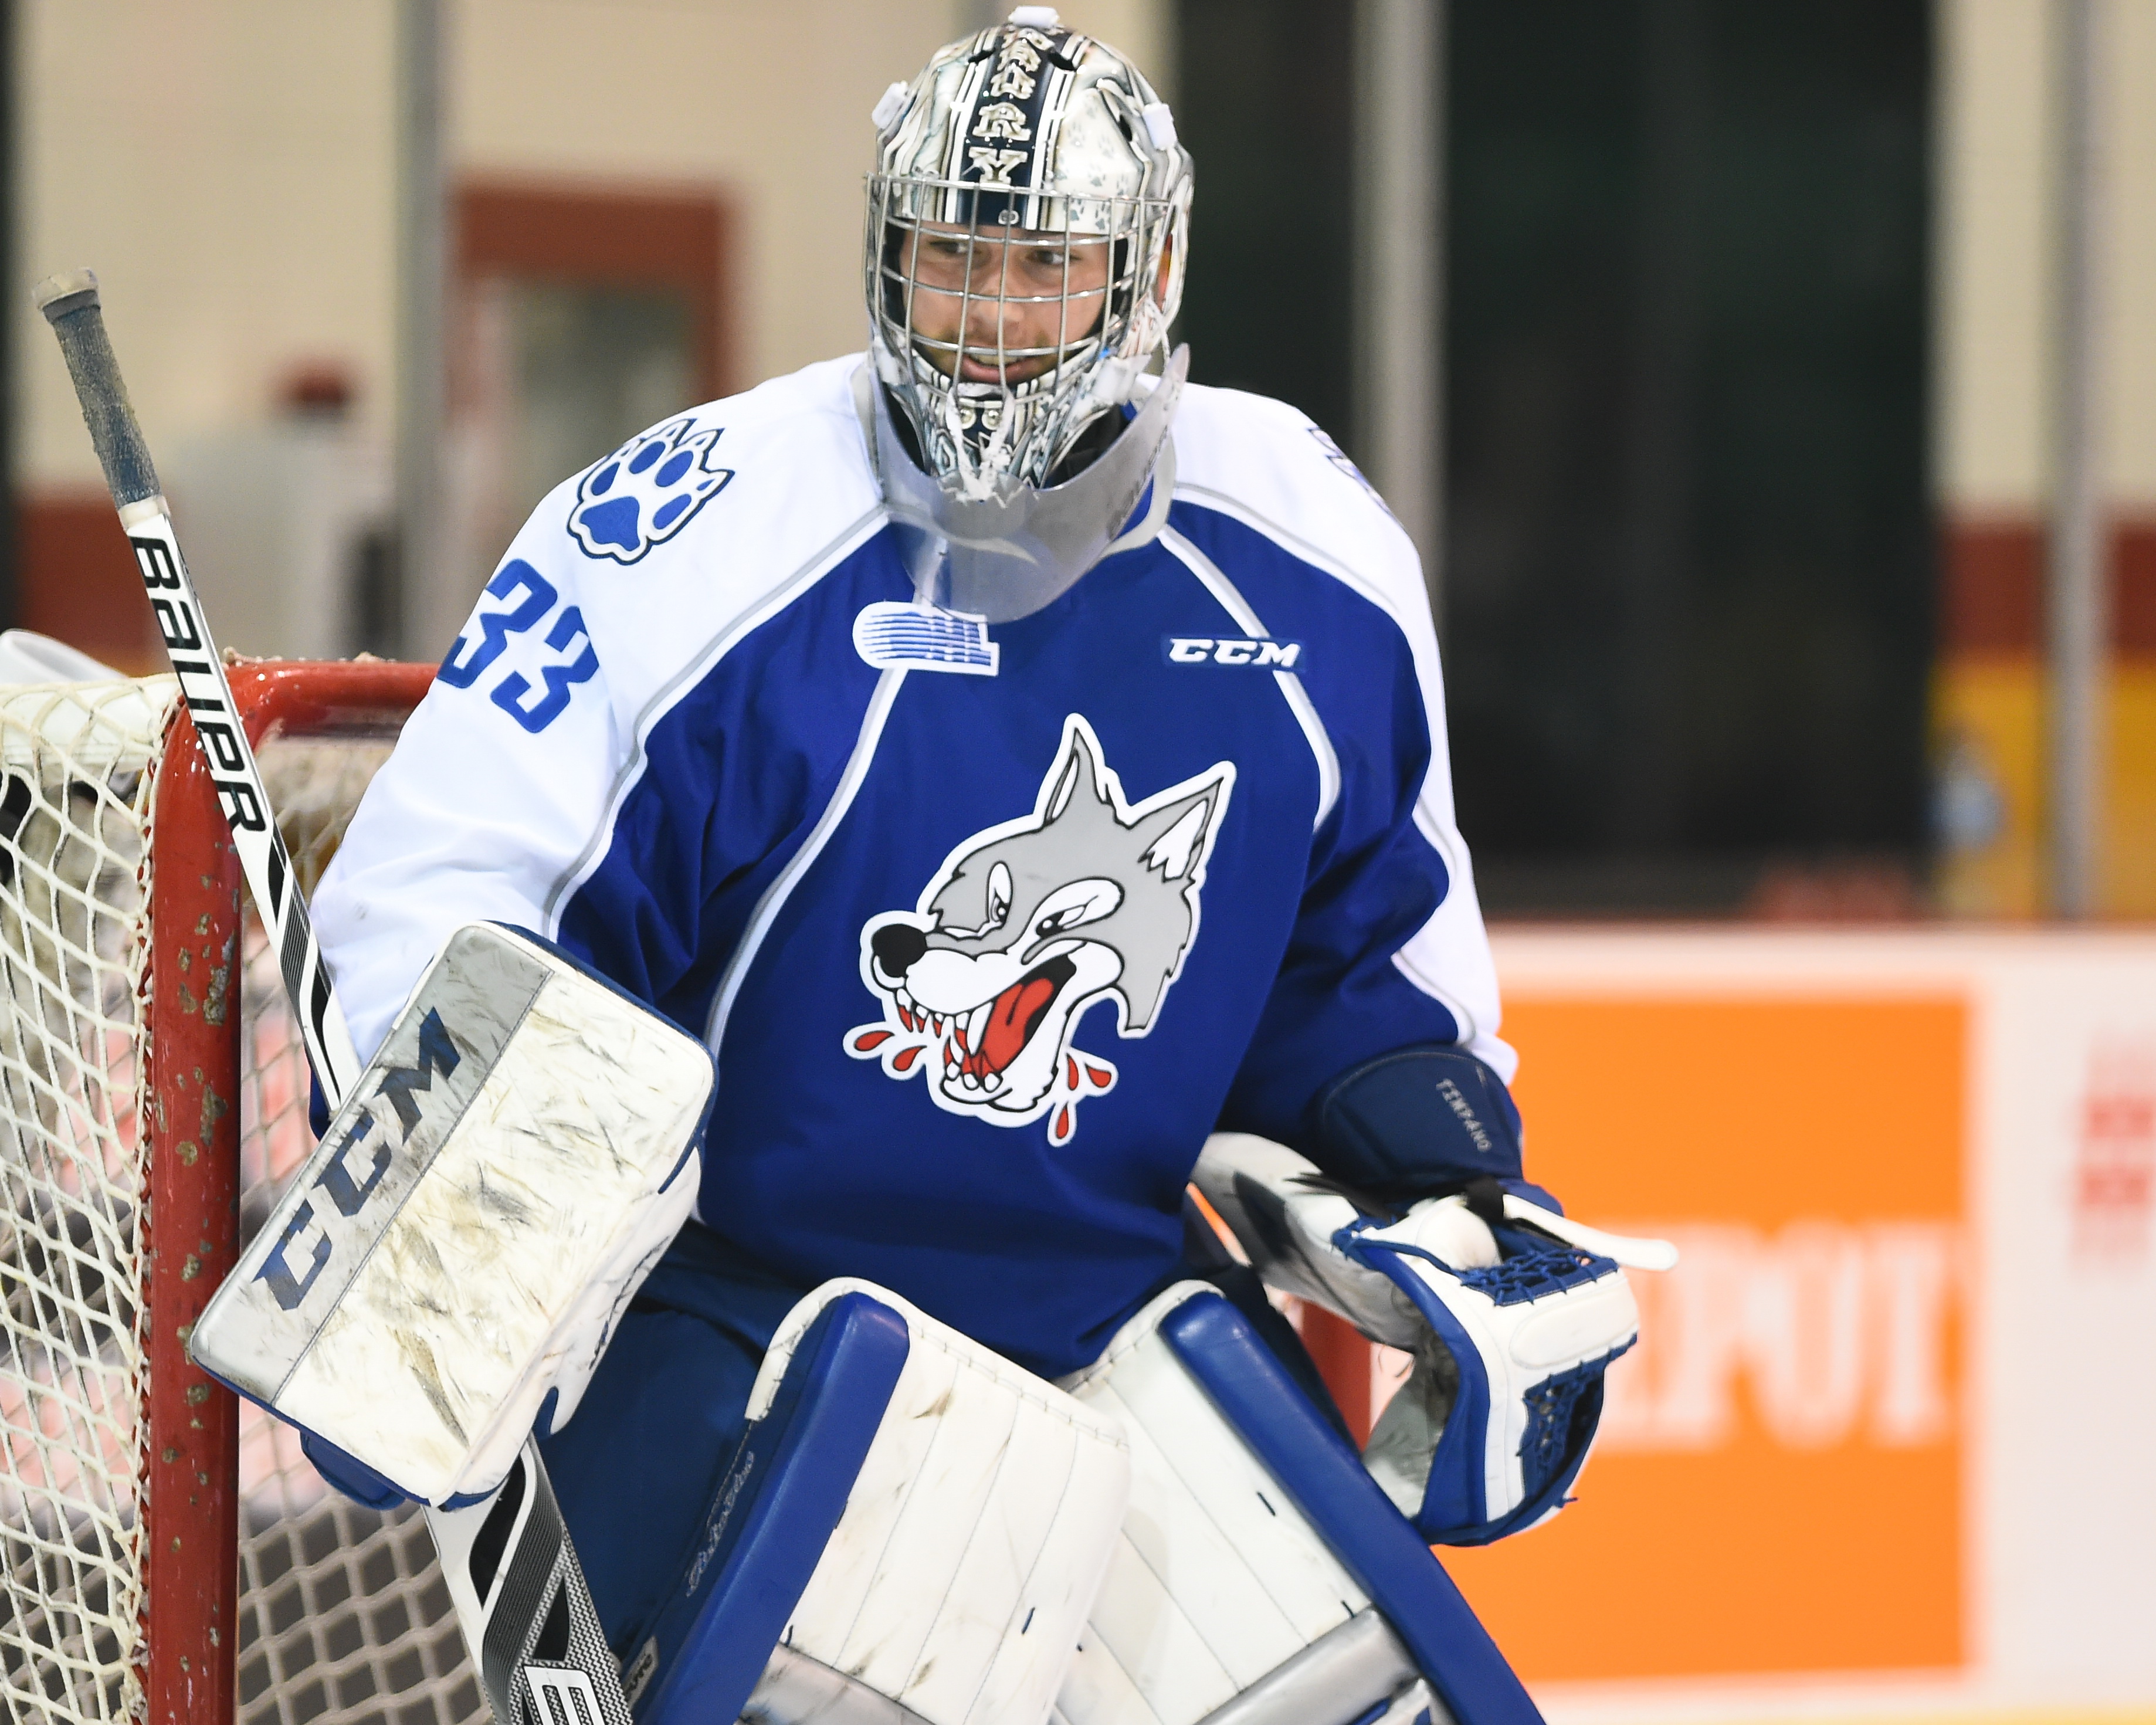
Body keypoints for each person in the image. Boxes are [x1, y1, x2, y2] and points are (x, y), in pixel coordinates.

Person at [313, 6, 1594, 1679]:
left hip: (1112, 1311)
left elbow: (1356, 963)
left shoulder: (1307, 542)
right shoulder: (696, 528)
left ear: (1148, 275)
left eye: (1044, 268)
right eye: (951, 261)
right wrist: (451, 1197)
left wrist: (1448, 1189)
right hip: (743, 1317)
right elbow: (452, 884)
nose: (989, 317)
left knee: (1387, 1692)